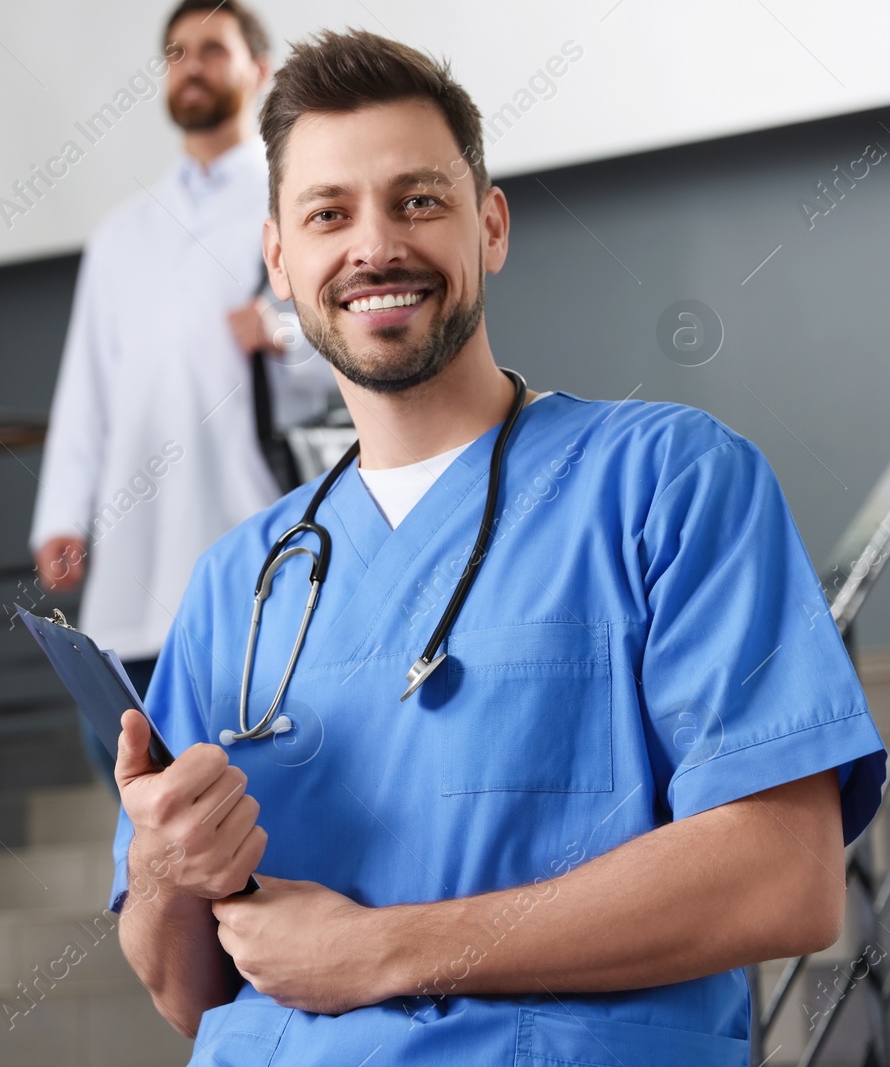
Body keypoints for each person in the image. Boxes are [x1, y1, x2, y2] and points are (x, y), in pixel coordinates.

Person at [108, 29, 887, 1065]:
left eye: (418, 200)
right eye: (328, 213)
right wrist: (165, 864)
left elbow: (783, 876)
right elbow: (184, 990)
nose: (373, 245)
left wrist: (383, 949)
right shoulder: (239, 579)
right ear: (280, 262)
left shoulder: (666, 480)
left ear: (490, 224)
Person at [29, 0, 334, 790]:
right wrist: (62, 513)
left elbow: (339, 355)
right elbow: (86, 386)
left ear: (258, 71)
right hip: (135, 539)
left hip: (248, 518)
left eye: (211, 49)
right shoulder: (121, 233)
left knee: (259, 765)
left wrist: (280, 332)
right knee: (127, 756)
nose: (190, 65)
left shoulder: (293, 202)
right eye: (176, 52)